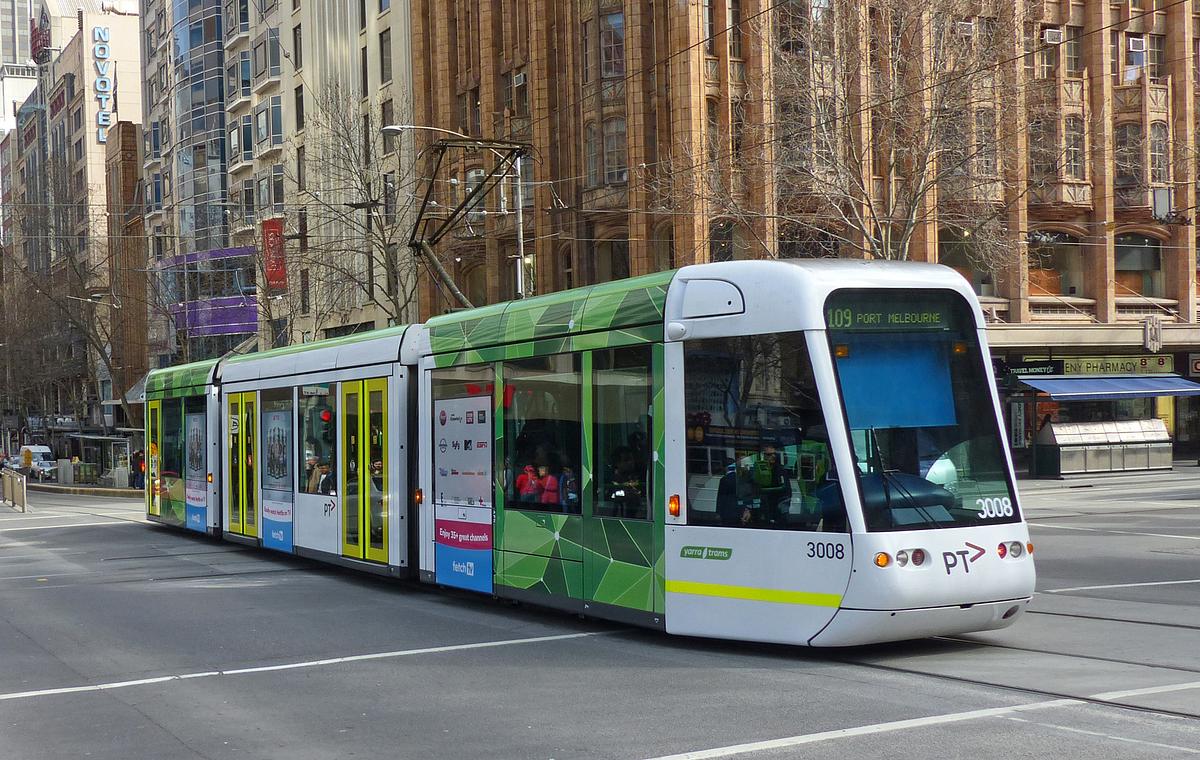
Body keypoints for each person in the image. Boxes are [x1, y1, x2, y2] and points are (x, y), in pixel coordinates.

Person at [753, 445, 792, 526]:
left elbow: (786, 490)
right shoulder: (757, 469)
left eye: (774, 454)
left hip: (778, 506)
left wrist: (783, 508)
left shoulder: (780, 470)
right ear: (764, 456)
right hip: (763, 506)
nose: (773, 456)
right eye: (769, 455)